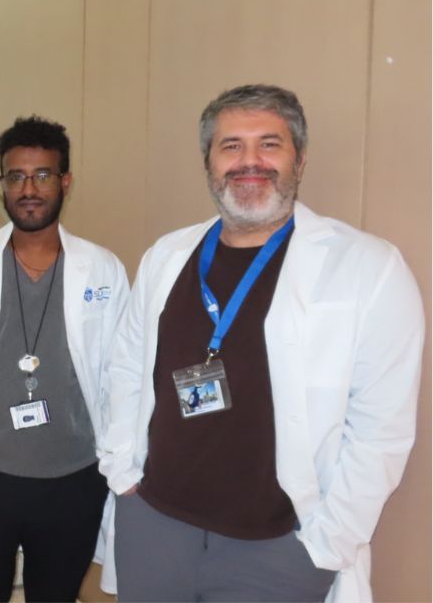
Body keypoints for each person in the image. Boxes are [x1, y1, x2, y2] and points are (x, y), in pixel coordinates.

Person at [98, 84, 424, 601]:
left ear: (299, 158)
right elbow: (125, 370)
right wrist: (123, 476)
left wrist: (326, 544)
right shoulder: (167, 256)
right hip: (156, 525)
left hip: (279, 546)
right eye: (231, 146)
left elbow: (381, 431)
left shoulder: (369, 267)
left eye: (269, 144)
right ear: (208, 162)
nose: (250, 162)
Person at [0, 116, 129, 601]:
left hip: (73, 478)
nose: (29, 188)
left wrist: (113, 458)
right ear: (2, 182)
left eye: (42, 175)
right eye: (16, 176)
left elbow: (120, 371)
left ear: (65, 182)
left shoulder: (101, 267)